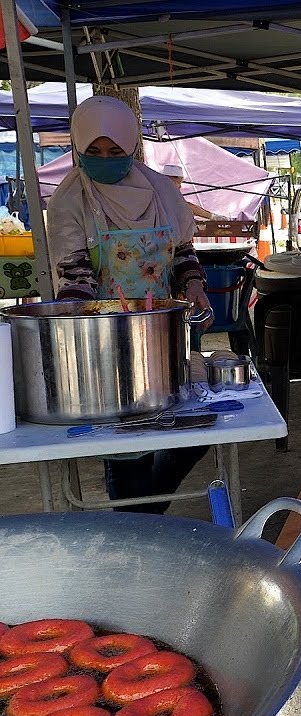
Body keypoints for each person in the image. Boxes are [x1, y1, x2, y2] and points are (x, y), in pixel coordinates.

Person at [46, 96, 214, 514]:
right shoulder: (70, 202)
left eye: (115, 151)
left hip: (163, 329)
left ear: (133, 147)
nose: (105, 160)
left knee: (192, 427)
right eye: (94, 152)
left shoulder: (159, 189)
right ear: (78, 148)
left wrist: (193, 285)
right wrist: (75, 315)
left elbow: (183, 252)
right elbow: (75, 275)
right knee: (125, 443)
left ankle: (142, 516)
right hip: (105, 336)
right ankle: (137, 519)